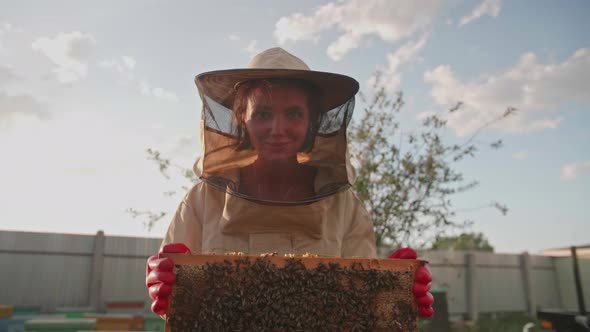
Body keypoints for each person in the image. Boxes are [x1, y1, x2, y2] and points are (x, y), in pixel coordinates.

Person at [146, 47, 434, 318]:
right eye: (263, 113)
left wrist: (392, 292)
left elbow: (364, 305)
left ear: (312, 121)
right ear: (241, 118)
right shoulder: (202, 199)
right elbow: (176, 305)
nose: (277, 129)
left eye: (293, 113)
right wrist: (165, 282)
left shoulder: (344, 205)